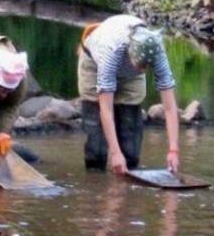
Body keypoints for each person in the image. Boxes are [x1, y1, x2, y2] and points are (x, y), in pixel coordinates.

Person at [77, 14, 180, 175]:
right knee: (97, 149)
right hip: (94, 64)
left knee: (130, 148)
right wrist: (115, 153)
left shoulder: (156, 51)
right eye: (141, 66)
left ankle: (127, 180)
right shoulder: (110, 52)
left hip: (129, 72)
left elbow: (169, 106)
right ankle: (96, 182)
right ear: (131, 53)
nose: (144, 71)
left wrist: (173, 150)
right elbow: (106, 110)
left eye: (147, 67)